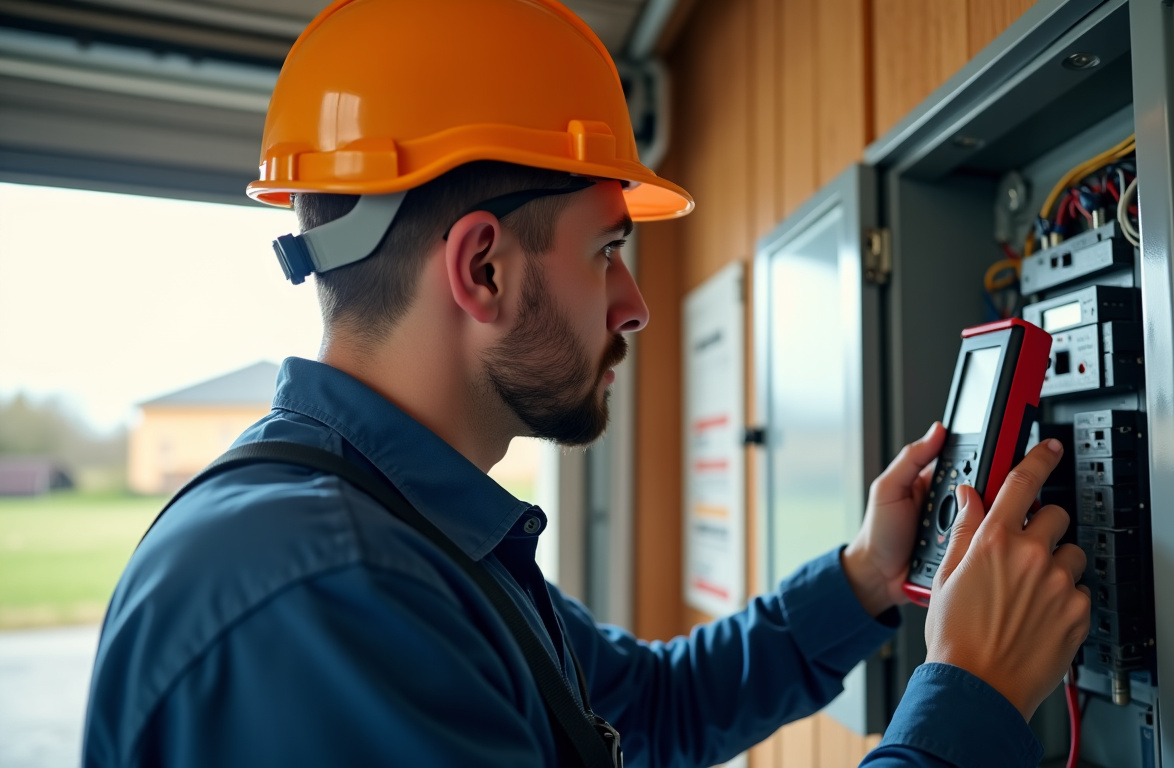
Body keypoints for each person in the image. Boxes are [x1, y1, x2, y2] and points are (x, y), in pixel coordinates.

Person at [82, 1, 1090, 766]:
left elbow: (647, 708)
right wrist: (968, 696)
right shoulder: (327, 595)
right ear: (483, 269)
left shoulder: (403, 537)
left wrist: (869, 575)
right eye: (607, 248)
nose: (634, 303)